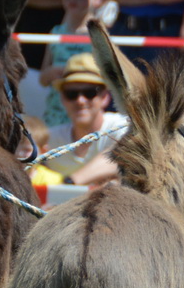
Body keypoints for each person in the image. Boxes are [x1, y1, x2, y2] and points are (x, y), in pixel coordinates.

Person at [34, 53, 129, 188]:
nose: (80, 101)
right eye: (71, 94)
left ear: (105, 97)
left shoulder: (120, 125)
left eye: (89, 92)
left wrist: (69, 183)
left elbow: (121, 154)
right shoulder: (50, 139)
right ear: (62, 99)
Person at [37, 0, 105, 127]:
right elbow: (43, 78)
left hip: (88, 113)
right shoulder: (56, 32)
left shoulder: (102, 35)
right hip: (56, 116)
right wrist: (53, 72)